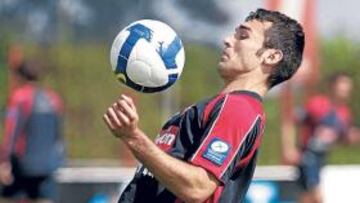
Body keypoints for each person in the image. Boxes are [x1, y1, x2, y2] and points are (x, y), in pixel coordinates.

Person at [103, 8, 305, 203]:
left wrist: (134, 138)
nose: (227, 40)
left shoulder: (238, 108)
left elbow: (198, 187)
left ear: (271, 56)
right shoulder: (218, 106)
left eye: (242, 36)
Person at [281, 72, 360, 203]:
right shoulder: (317, 105)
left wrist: (350, 138)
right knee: (317, 197)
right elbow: (290, 122)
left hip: (321, 159)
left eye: (348, 87)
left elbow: (341, 138)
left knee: (307, 197)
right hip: (307, 157)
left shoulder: (344, 113)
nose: (345, 90)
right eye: (342, 86)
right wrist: (289, 148)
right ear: (332, 87)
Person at [0, 60, 65, 203]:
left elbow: (12, 132)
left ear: (20, 76)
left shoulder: (19, 98)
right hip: (48, 166)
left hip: (23, 166)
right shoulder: (53, 99)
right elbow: (59, 135)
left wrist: (4, 161)